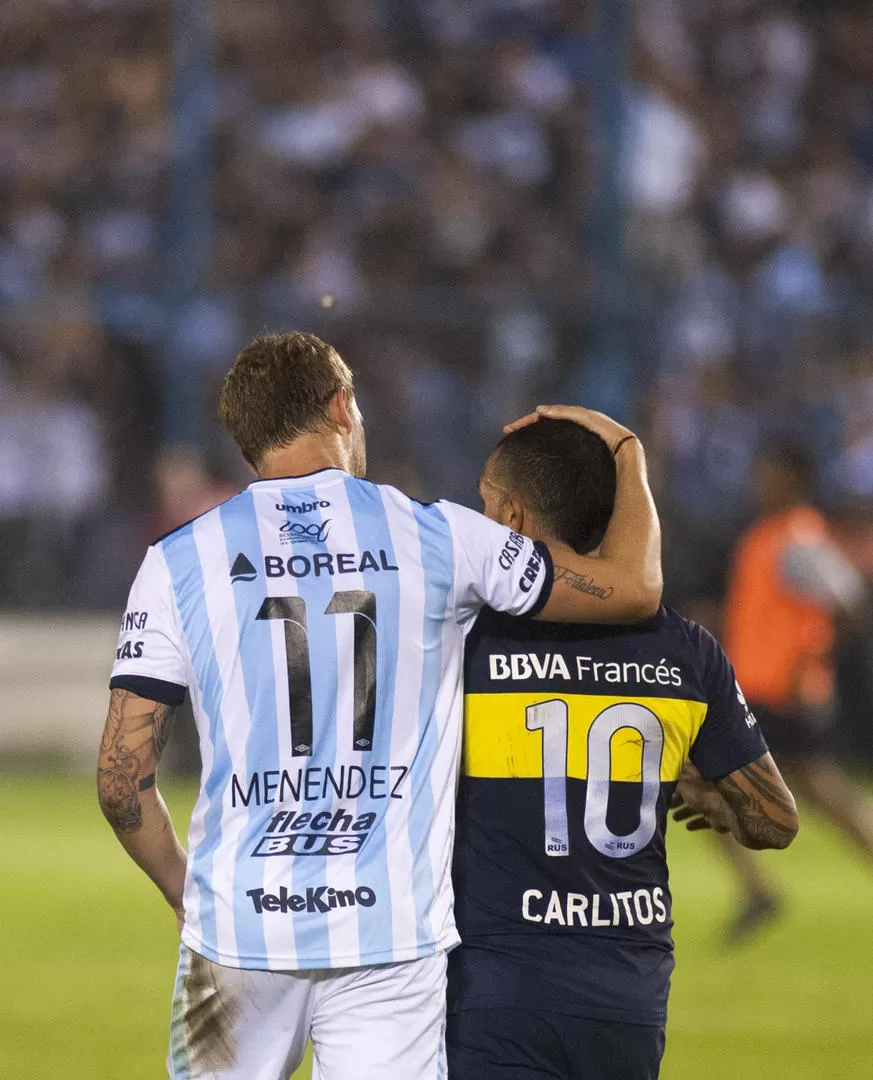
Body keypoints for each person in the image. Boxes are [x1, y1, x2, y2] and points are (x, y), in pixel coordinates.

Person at [96, 331, 662, 1080]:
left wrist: (185, 891)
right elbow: (631, 588)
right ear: (340, 405)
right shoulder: (438, 534)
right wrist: (625, 451)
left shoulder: (177, 561)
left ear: (245, 441)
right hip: (389, 933)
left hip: (235, 931)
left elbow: (119, 776)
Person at [447, 416, 799, 1080]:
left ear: (514, 517)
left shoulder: (469, 638)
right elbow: (775, 820)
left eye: (488, 503)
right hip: (627, 998)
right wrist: (720, 800)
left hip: (496, 990)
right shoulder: (686, 650)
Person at [717, 442, 873, 941]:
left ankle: (757, 891)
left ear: (793, 480)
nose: (759, 483)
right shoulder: (770, 535)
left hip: (781, 695)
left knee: (705, 777)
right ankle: (756, 890)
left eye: (770, 474)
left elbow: (848, 601)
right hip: (762, 690)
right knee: (824, 793)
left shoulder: (797, 539)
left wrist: (812, 660)